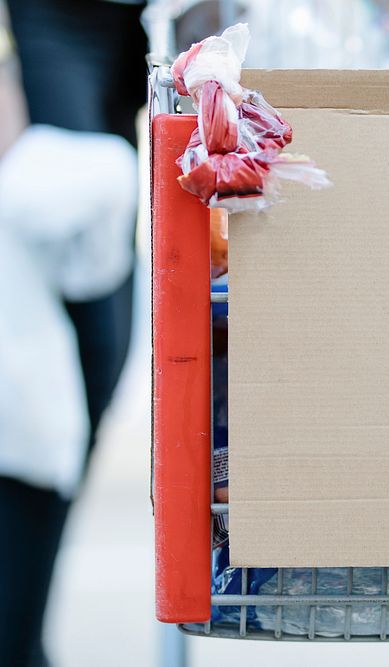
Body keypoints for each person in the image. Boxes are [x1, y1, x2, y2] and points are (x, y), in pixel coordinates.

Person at [0, 1, 146, 664]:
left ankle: (21, 632)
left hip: (124, 32)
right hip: (38, 22)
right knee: (48, 381)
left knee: (99, 360)